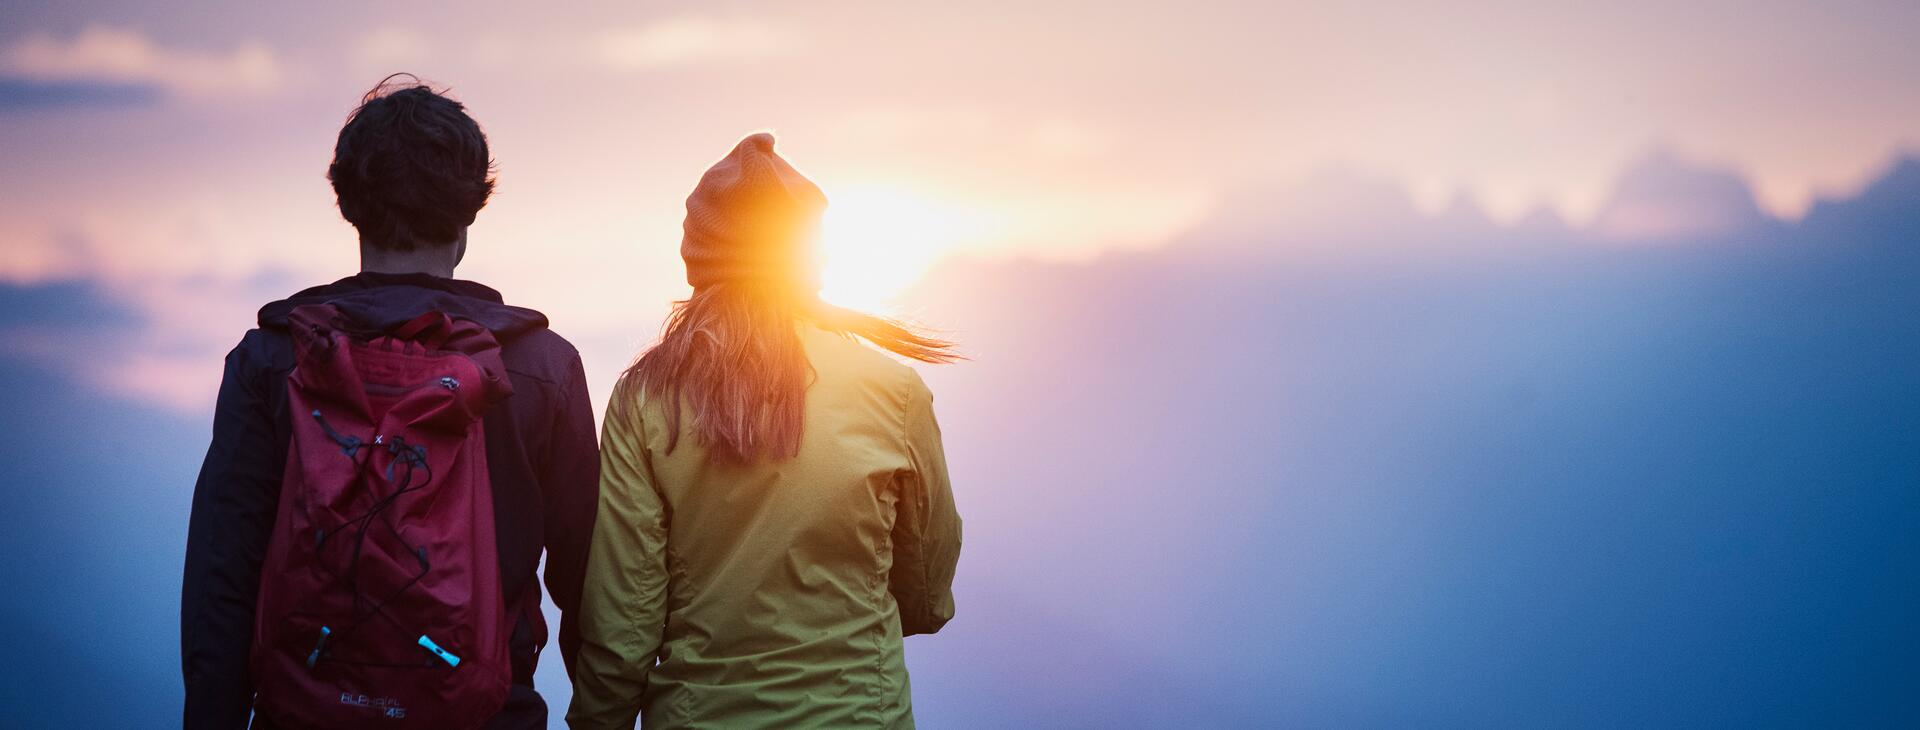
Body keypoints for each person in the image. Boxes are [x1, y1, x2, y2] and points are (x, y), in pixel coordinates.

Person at [180, 75, 601, 729]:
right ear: (471, 209)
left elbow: (222, 578)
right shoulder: (541, 367)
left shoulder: (273, 359)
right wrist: (602, 714)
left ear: (348, 201)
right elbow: (585, 585)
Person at [567, 133, 964, 729]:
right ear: (813, 260)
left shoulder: (647, 395)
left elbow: (625, 619)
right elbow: (929, 591)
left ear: (697, 259)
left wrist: (600, 721)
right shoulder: (893, 390)